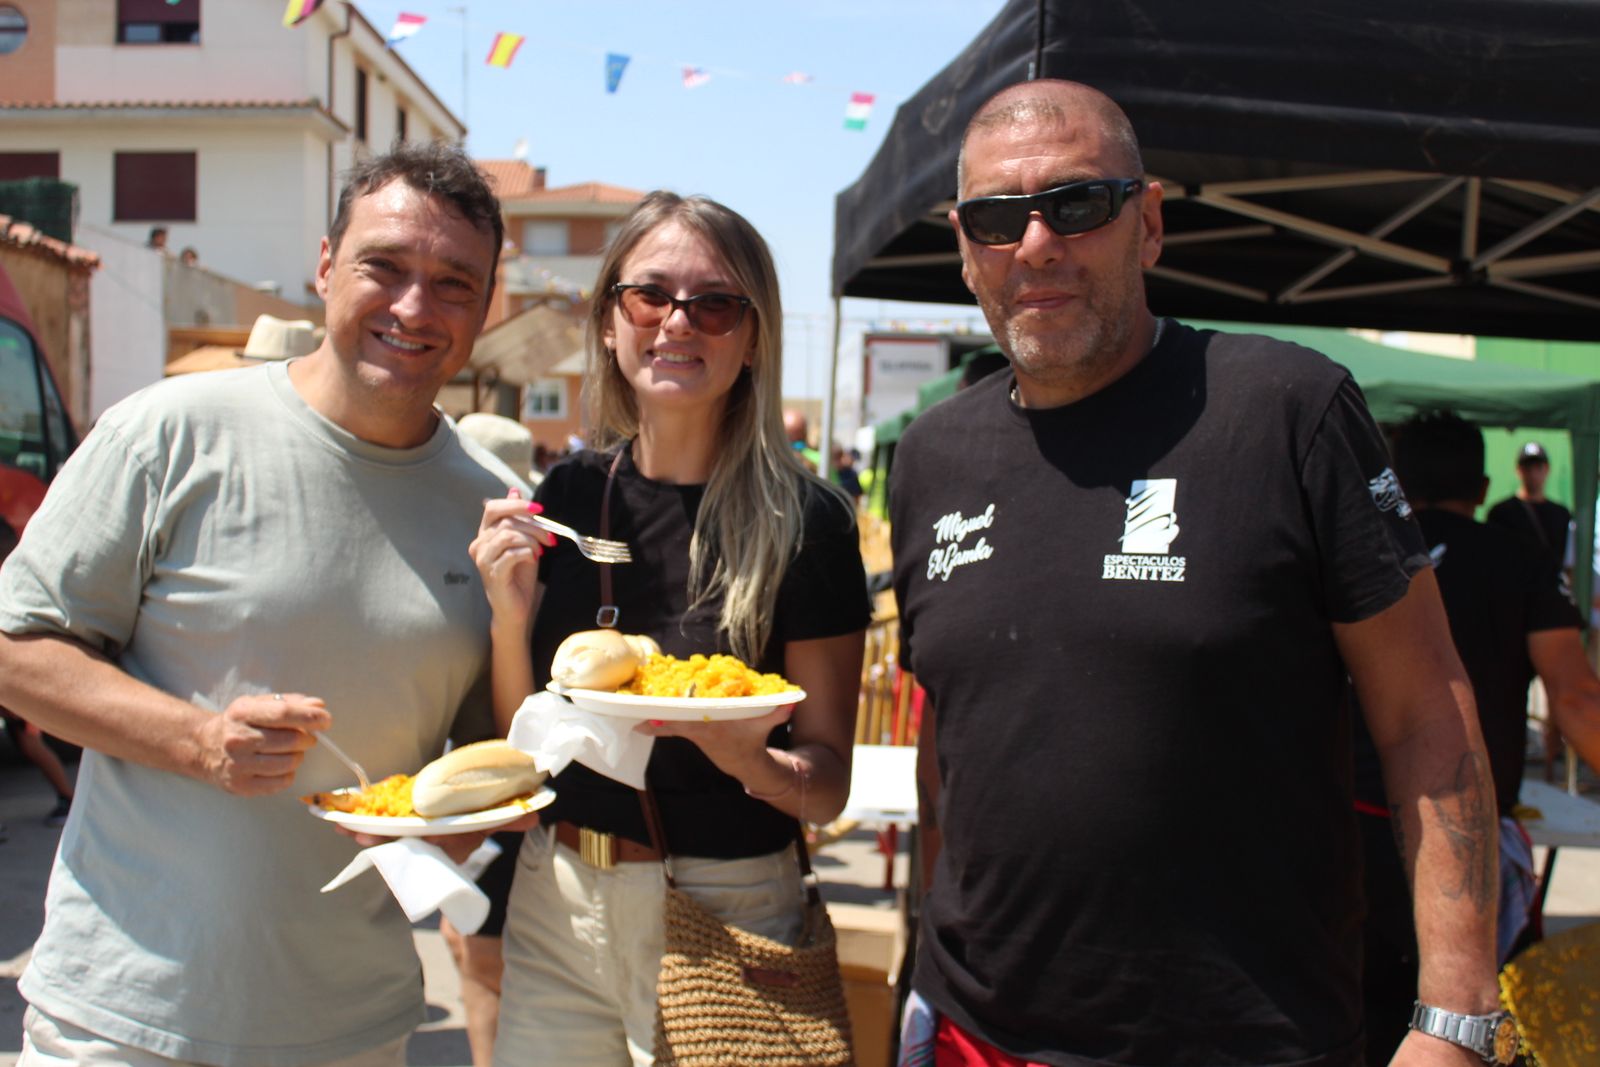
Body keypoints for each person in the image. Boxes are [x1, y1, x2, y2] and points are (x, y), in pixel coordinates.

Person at [891, 80, 1502, 1067]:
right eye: (998, 217)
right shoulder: (929, 455)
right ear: (965, 247)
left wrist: (1457, 1015)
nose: (1037, 243)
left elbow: (1425, 711)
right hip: (974, 1036)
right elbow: (949, 734)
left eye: (1078, 204)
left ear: (1151, 224)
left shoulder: (1285, 410)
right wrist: (925, 972)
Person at [0, 141, 519, 1067]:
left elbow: (488, 760)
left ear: (486, 306)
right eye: (384, 267)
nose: (413, 307)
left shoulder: (493, 506)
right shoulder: (170, 432)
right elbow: (13, 648)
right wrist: (198, 741)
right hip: (124, 1022)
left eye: (452, 283)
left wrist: (466, 817)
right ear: (324, 267)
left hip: (350, 1028)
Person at [471, 190, 869, 1066]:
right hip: (560, 889)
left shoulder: (809, 523)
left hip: (729, 905)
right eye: (649, 295)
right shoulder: (568, 501)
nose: (677, 322)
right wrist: (509, 622)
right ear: (611, 319)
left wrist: (746, 758)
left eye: (714, 302)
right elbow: (525, 742)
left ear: (753, 334)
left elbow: (830, 786)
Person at [1354, 412, 1600, 1061]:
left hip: (1350, 829)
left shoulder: (1360, 546)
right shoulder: (1515, 556)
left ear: (1399, 480)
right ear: (1486, 484)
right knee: (1469, 1027)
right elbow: (1574, 696)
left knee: (1356, 1017)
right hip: (1467, 836)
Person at [449, 411, 539, 1067]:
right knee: (472, 953)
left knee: (482, 965)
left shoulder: (516, 561)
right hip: (477, 797)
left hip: (501, 799)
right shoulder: (467, 552)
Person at [1487, 441, 1572, 587]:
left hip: (1549, 593)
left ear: (1547, 469)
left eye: (1538, 467)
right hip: (1512, 591)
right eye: (1528, 468)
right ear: (1519, 470)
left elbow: (1570, 565)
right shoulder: (1501, 512)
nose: (1533, 473)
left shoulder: (1562, 514)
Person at [0, 709, 74, 826]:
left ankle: (68, 799)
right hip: (14, 701)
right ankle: (68, 799)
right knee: (29, 743)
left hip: (17, 701)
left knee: (30, 743)